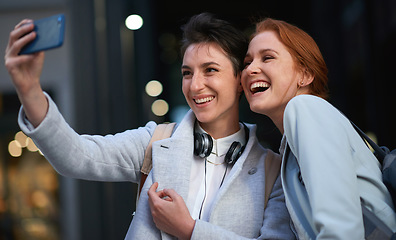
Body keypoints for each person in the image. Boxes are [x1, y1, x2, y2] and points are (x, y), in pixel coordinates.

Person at [5, 13, 294, 239]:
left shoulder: (273, 171)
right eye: (186, 73)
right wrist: (29, 88)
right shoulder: (156, 141)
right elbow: (75, 157)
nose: (195, 85)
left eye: (210, 70)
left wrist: (189, 230)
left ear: (239, 80)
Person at [241, 17, 396, 239]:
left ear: (304, 75)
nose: (250, 69)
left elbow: (340, 229)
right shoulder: (292, 146)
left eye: (267, 58)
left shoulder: (305, 108)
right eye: (247, 63)